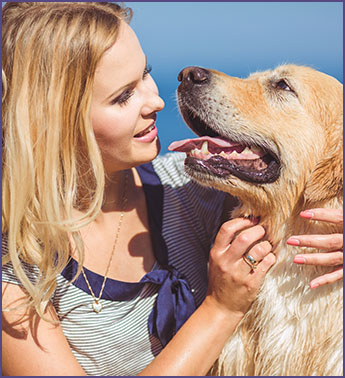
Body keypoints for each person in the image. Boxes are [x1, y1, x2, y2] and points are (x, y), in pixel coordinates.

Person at [2, 2, 342, 376]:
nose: (158, 101)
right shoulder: (17, 269)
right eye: (123, 96)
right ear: (54, 119)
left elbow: (302, 190)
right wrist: (220, 308)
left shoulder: (191, 192)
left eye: (145, 74)